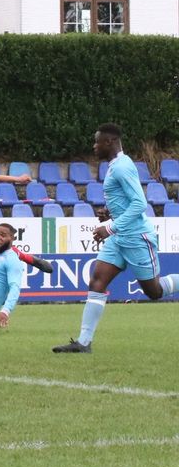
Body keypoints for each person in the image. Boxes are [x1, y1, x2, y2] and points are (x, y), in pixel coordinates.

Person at [53, 123, 179, 353]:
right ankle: (83, 343)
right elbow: (126, 201)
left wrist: (110, 227)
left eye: (97, 141)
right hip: (119, 238)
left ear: (109, 142)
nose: (94, 146)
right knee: (97, 281)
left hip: (136, 238)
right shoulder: (115, 166)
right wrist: (110, 213)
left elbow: (140, 203)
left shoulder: (121, 166)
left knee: (154, 292)